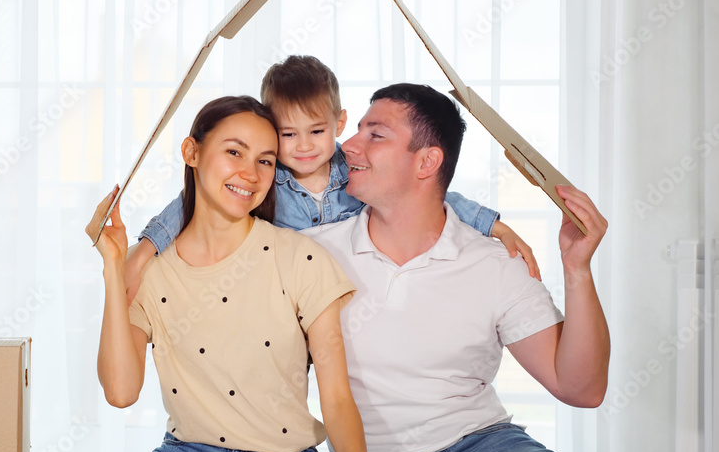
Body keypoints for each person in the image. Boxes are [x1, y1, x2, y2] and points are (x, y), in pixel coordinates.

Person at [51, 96, 398, 452]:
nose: (251, 173)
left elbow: (337, 396)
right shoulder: (150, 271)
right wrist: (112, 264)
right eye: (234, 152)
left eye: (265, 161)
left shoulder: (299, 257)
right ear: (192, 153)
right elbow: (122, 392)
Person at [306, 83, 610, 452]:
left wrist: (577, 270)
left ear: (426, 162)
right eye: (356, 130)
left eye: (373, 134)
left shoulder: (491, 262)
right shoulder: (313, 254)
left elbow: (581, 387)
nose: (348, 145)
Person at [125, 56, 540, 301]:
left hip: (353, 293)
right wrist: (146, 248)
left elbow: (430, 196)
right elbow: (195, 202)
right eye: (288, 135)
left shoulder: (356, 171)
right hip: (286, 293)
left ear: (339, 122)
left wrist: (494, 224)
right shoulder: (267, 178)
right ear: (272, 131)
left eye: (317, 131)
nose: (304, 146)